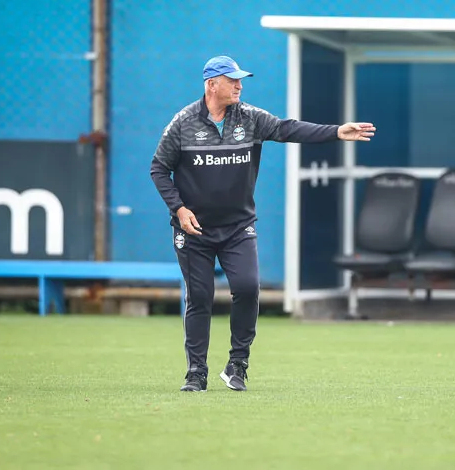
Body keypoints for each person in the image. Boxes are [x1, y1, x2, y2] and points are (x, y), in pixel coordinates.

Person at [150, 55, 375, 392]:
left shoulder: (250, 118)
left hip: (237, 227)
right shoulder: (183, 123)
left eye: (241, 80)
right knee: (199, 296)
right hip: (194, 229)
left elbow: (288, 129)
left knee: (247, 288)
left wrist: (336, 132)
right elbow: (158, 169)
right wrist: (179, 209)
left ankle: (237, 364)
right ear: (211, 84)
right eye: (232, 80)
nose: (239, 86)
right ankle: (196, 372)